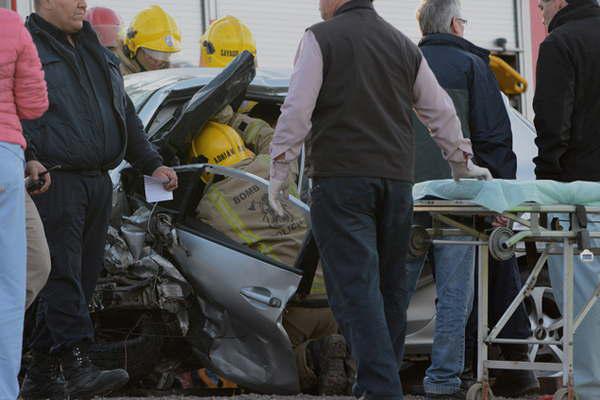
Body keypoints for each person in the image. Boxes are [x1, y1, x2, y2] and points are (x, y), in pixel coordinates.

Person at [268, 1, 492, 399]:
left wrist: (280, 167)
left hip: (340, 180)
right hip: (395, 183)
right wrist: (460, 161)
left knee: (354, 290)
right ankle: (375, 386)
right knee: (388, 291)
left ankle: (380, 389)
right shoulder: (403, 44)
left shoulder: (320, 38)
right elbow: (438, 107)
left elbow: (297, 108)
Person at [20, 1, 178, 399]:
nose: (81, 4)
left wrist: (152, 164)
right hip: (54, 180)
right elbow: (11, 114)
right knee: (62, 276)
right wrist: (27, 159)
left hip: (96, 182)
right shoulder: (26, 48)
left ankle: (40, 375)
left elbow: (124, 114)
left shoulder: (97, 51)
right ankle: (76, 363)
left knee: (83, 278)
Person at [405, 1, 539, 398]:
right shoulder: (473, 66)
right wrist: (498, 196)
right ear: (454, 25)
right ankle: (451, 378)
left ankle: (384, 370)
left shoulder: (402, 64)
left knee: (396, 292)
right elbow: (494, 139)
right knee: (456, 295)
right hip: (460, 199)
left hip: (408, 199)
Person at [193, 116, 351, 394]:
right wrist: (232, 117)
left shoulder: (211, 206)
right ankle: (341, 357)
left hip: (289, 308)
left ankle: (310, 357)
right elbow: (273, 135)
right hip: (330, 297)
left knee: (265, 374)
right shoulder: (272, 165)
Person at [534, 1, 600, 399]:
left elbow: (552, 123)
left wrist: (546, 186)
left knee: (584, 307)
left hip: (579, 201)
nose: (541, 11)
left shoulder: (560, 44)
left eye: (541, 3)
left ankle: (590, 390)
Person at [0, 8, 48, 400]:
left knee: (31, 268)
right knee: (10, 288)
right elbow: (33, 105)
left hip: (13, 159)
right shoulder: (11, 25)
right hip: (2, 160)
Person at [115, 5, 181, 75]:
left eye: (165, 55)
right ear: (132, 46)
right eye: (152, 53)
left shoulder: (173, 72)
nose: (159, 61)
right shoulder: (114, 73)